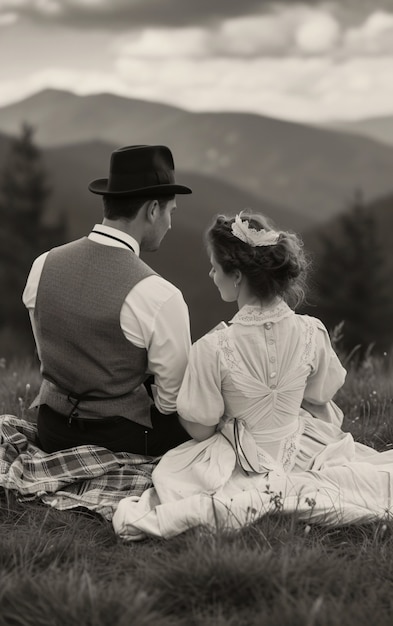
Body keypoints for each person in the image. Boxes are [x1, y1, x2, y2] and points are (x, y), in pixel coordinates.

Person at [113, 212, 393, 540]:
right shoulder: (310, 331)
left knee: (181, 482)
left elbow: (201, 427)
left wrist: (232, 423)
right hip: (301, 447)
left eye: (215, 267)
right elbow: (320, 394)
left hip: (237, 459)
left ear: (237, 277)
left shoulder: (213, 348)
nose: (211, 273)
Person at [23, 144, 193, 456]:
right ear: (153, 209)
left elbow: (46, 351)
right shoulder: (159, 294)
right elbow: (172, 402)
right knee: (204, 422)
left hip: (52, 428)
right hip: (118, 438)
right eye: (170, 212)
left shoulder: (42, 264)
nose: (169, 223)